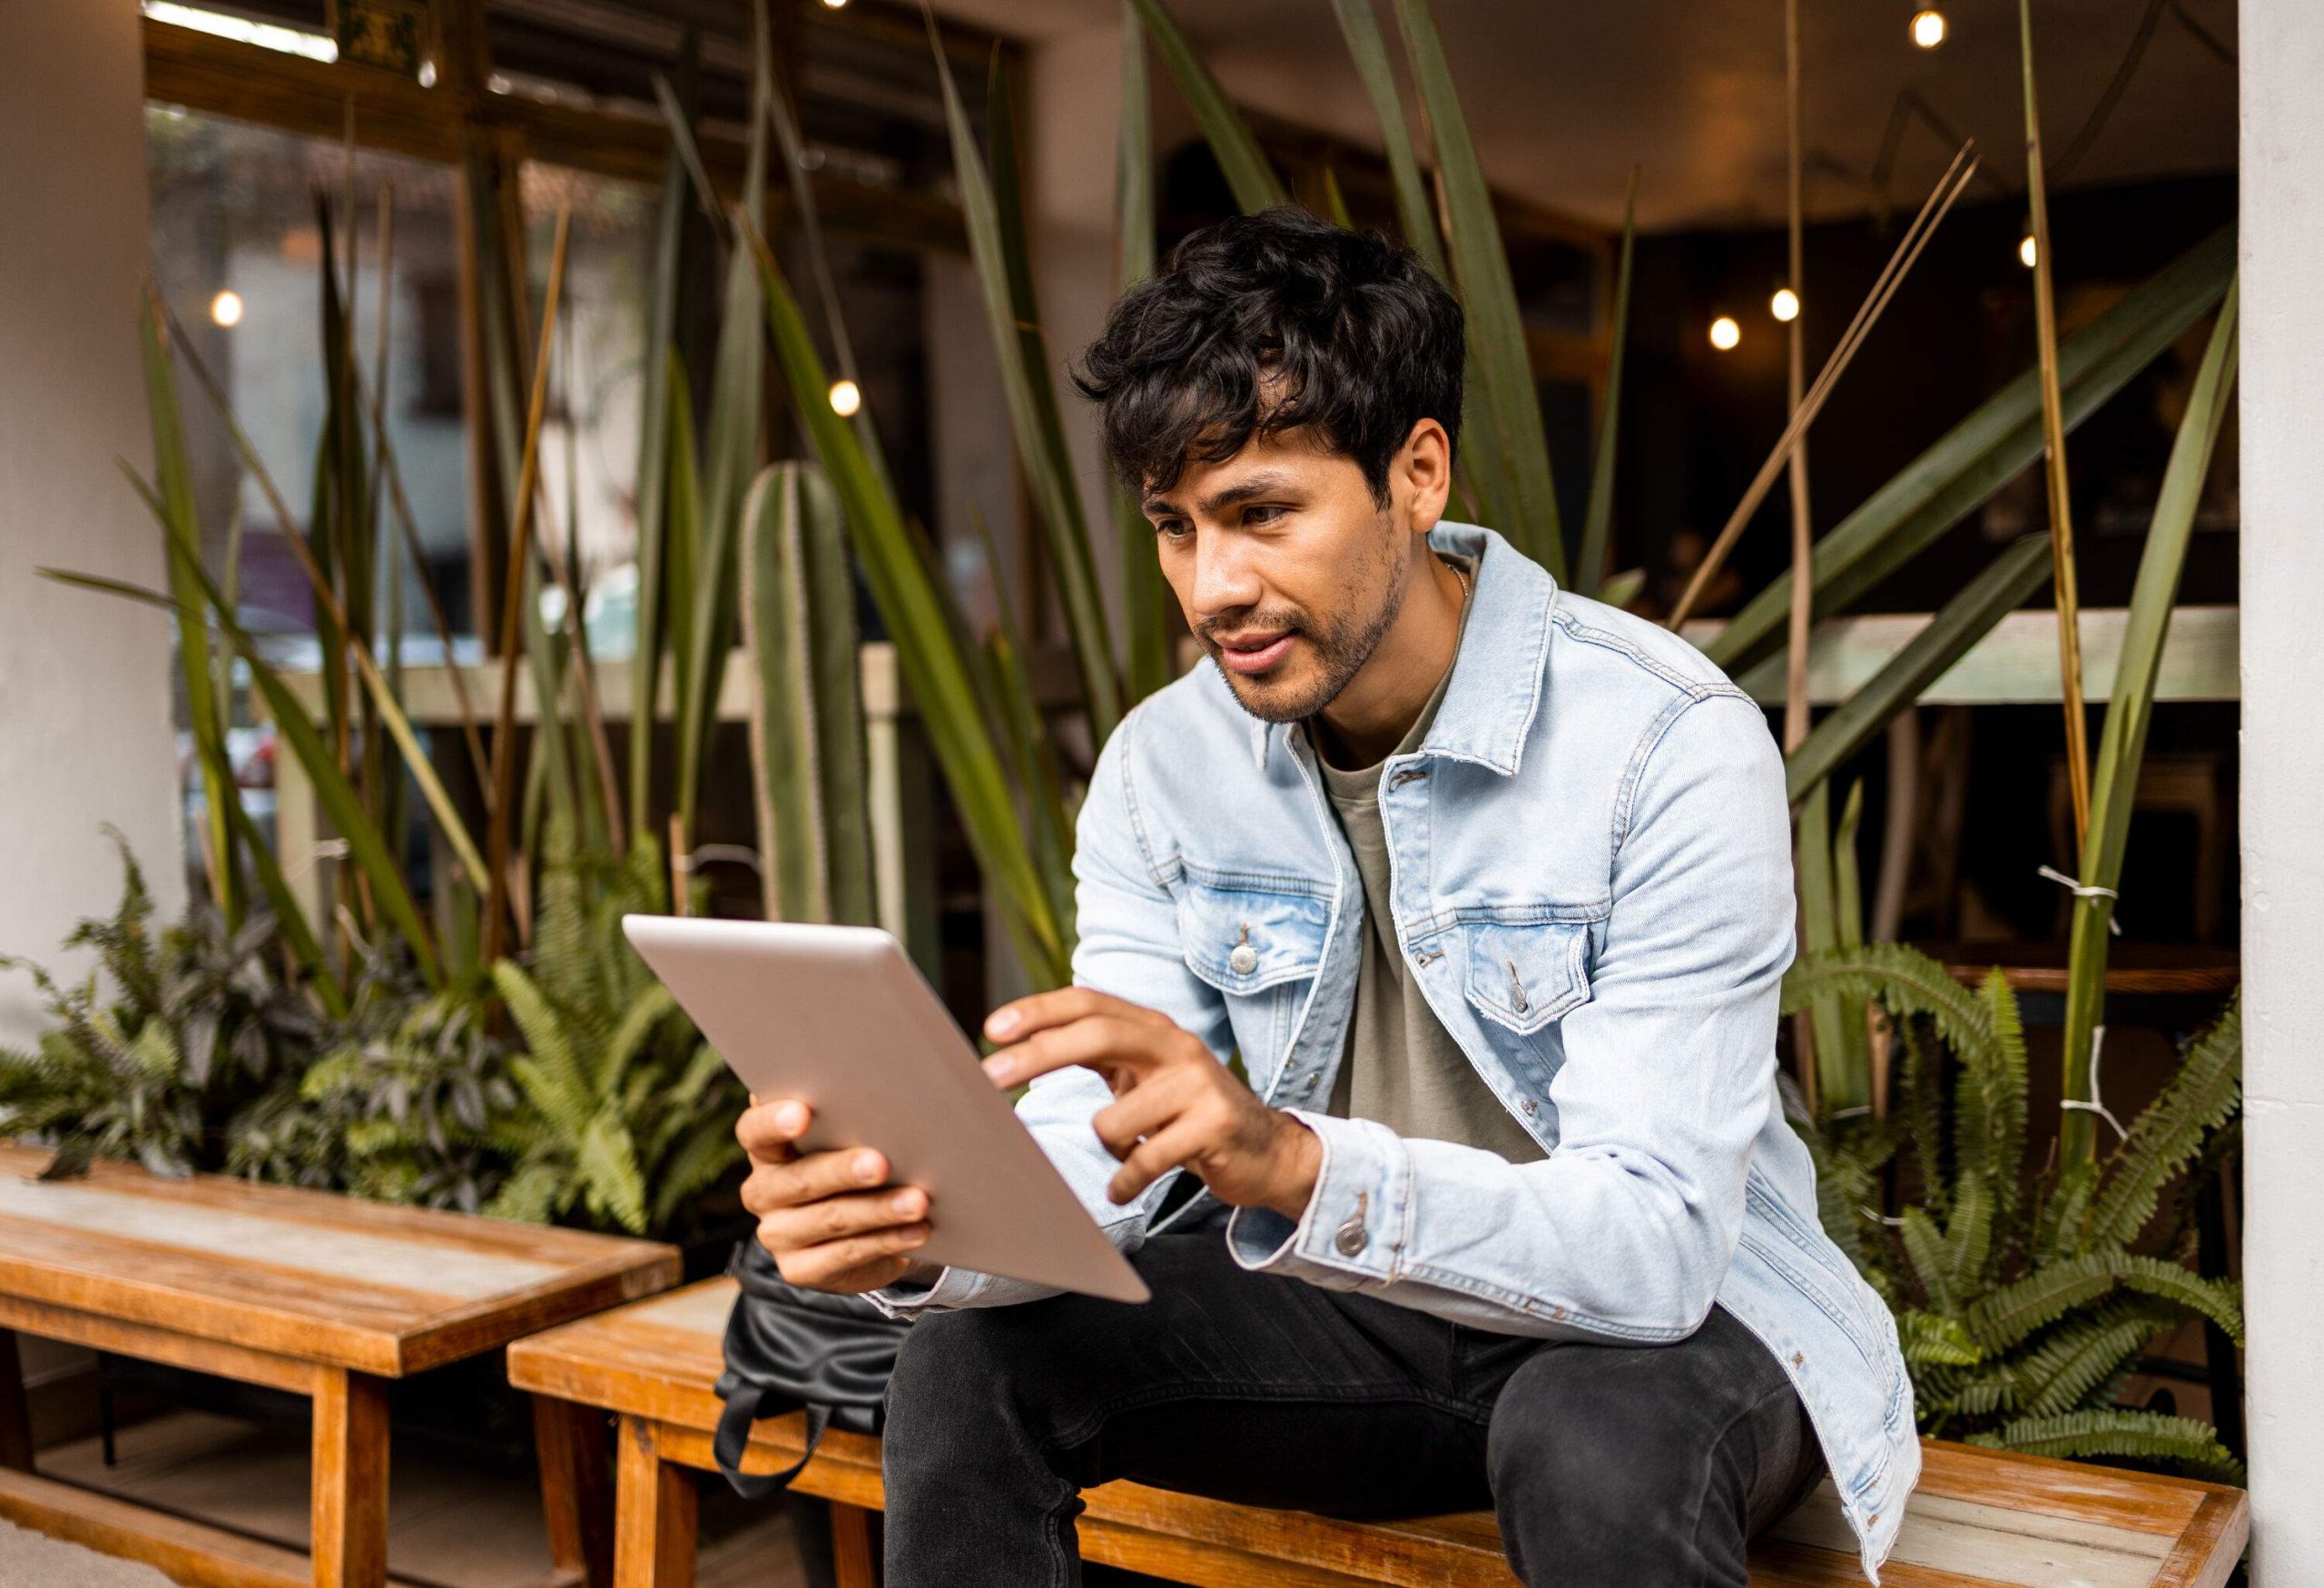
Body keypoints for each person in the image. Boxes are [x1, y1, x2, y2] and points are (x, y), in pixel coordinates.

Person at [734, 205, 1915, 1587]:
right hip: (1373, 1303)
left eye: (1262, 513)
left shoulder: (1664, 740)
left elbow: (1655, 1243)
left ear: (1417, 473)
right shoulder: (1161, 769)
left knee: (1582, 1437)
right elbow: (1095, 1142)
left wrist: (1294, 1162)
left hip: (1686, 1323)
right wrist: (918, 1223)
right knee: (963, 1364)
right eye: (1176, 528)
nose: (1213, 587)